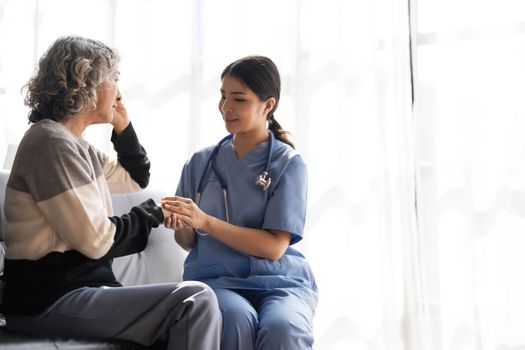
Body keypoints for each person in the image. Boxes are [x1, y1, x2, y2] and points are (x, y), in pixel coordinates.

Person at [0, 35, 221, 349]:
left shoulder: (76, 146)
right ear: (86, 84)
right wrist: (155, 212)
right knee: (195, 301)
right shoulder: (50, 144)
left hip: (72, 292)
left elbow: (134, 178)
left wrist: (123, 125)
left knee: (186, 310)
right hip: (48, 298)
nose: (119, 91)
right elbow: (95, 241)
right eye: (114, 79)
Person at [161, 56, 318, 350]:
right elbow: (188, 241)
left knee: (283, 327)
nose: (226, 107)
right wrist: (180, 223)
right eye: (222, 96)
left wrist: (205, 220)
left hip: (281, 282)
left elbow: (273, 248)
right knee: (234, 318)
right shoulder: (200, 163)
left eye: (239, 99)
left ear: (268, 105)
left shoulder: (288, 164)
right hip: (217, 280)